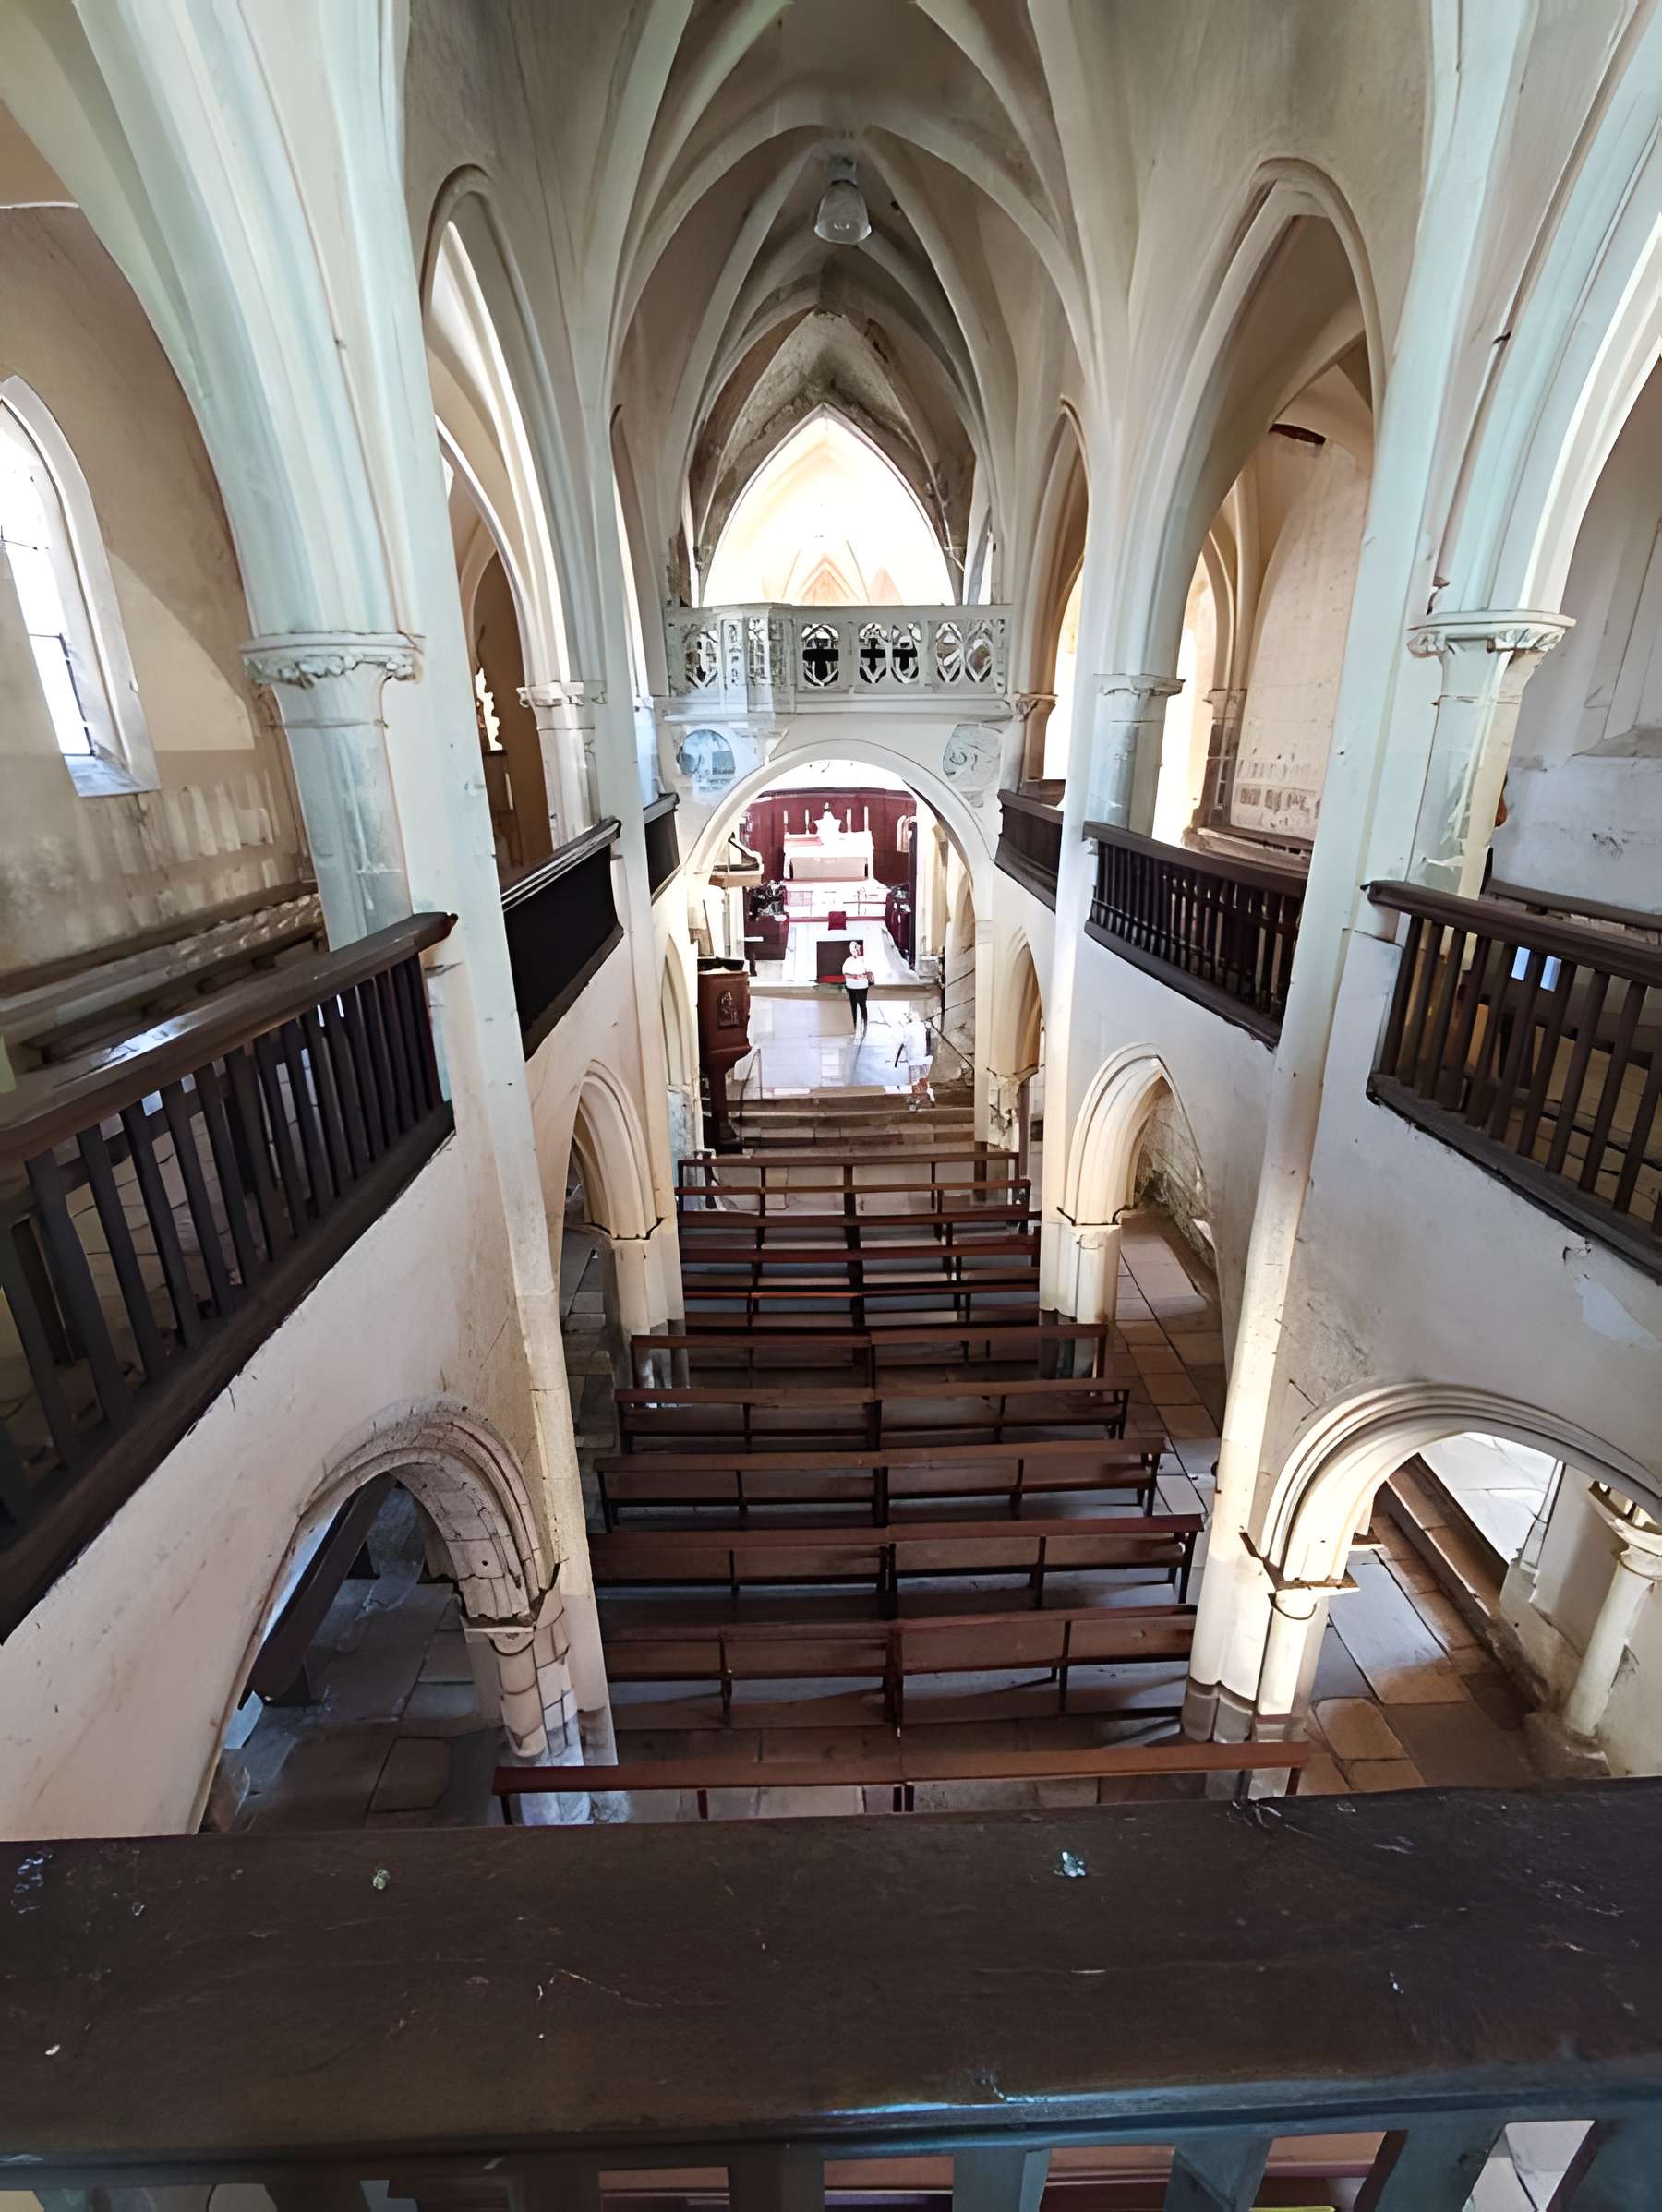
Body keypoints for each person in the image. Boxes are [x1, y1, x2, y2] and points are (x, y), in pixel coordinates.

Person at [896, 1011, 934, 1108]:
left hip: (914, 1058)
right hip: (925, 1058)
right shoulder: (924, 1026)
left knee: (915, 1080)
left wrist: (898, 1058)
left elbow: (904, 1042)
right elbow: (928, 1038)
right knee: (923, 1078)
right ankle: (930, 1097)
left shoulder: (908, 1027)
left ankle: (916, 1100)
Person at [842, 939, 874, 1032]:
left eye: (855, 950)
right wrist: (852, 976)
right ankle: (855, 1023)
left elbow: (869, 971)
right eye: (852, 951)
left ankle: (864, 1023)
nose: (854, 952)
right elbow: (844, 971)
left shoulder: (863, 960)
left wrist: (865, 975)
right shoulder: (848, 961)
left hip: (861, 986)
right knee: (853, 1005)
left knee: (862, 1004)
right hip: (851, 986)